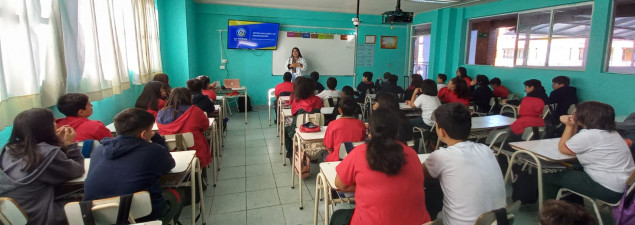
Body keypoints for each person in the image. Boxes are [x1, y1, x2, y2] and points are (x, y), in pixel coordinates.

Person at [333, 108, 431, 225]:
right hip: (418, 222)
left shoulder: (360, 153)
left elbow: (340, 184)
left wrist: (367, 187)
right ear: (397, 131)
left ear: (370, 131)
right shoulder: (411, 153)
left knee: (337, 216)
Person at [83, 108, 181, 223]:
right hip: (141, 217)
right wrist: (156, 137)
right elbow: (169, 164)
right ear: (144, 134)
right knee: (177, 195)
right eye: (151, 130)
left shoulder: (99, 150)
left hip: (98, 218)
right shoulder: (153, 151)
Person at [423, 103, 506, 225]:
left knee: (427, 193)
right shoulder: (486, 150)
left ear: (442, 132)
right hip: (497, 220)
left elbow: (418, 177)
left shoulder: (440, 157)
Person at [0, 108, 84, 225]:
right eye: (54, 122)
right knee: (86, 201)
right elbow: (77, 170)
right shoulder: (48, 154)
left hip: (11, 217)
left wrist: (56, 144)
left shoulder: (6, 150)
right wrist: (70, 145)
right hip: (40, 217)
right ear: (46, 128)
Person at [543, 101, 635, 204]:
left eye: (576, 113)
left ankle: (552, 214)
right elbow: (573, 143)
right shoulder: (612, 132)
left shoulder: (589, 135)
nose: (573, 115)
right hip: (625, 187)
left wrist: (569, 125)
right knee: (573, 171)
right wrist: (574, 126)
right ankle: (574, 210)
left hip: (609, 189)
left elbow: (563, 148)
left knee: (549, 176)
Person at [156, 88, 211, 168]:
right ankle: (201, 176)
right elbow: (205, 126)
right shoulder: (195, 111)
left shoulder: (161, 114)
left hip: (169, 154)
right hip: (195, 153)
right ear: (189, 97)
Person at [285, 76, 323, 158]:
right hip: (315, 129)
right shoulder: (318, 99)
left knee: (286, 129)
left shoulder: (297, 100)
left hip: (299, 131)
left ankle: (290, 153)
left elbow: (294, 116)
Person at [323, 97, 367, 162]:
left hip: (337, 159)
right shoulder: (361, 124)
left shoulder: (332, 124)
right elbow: (362, 142)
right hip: (356, 158)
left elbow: (329, 148)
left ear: (339, 110)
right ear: (355, 110)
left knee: (324, 153)